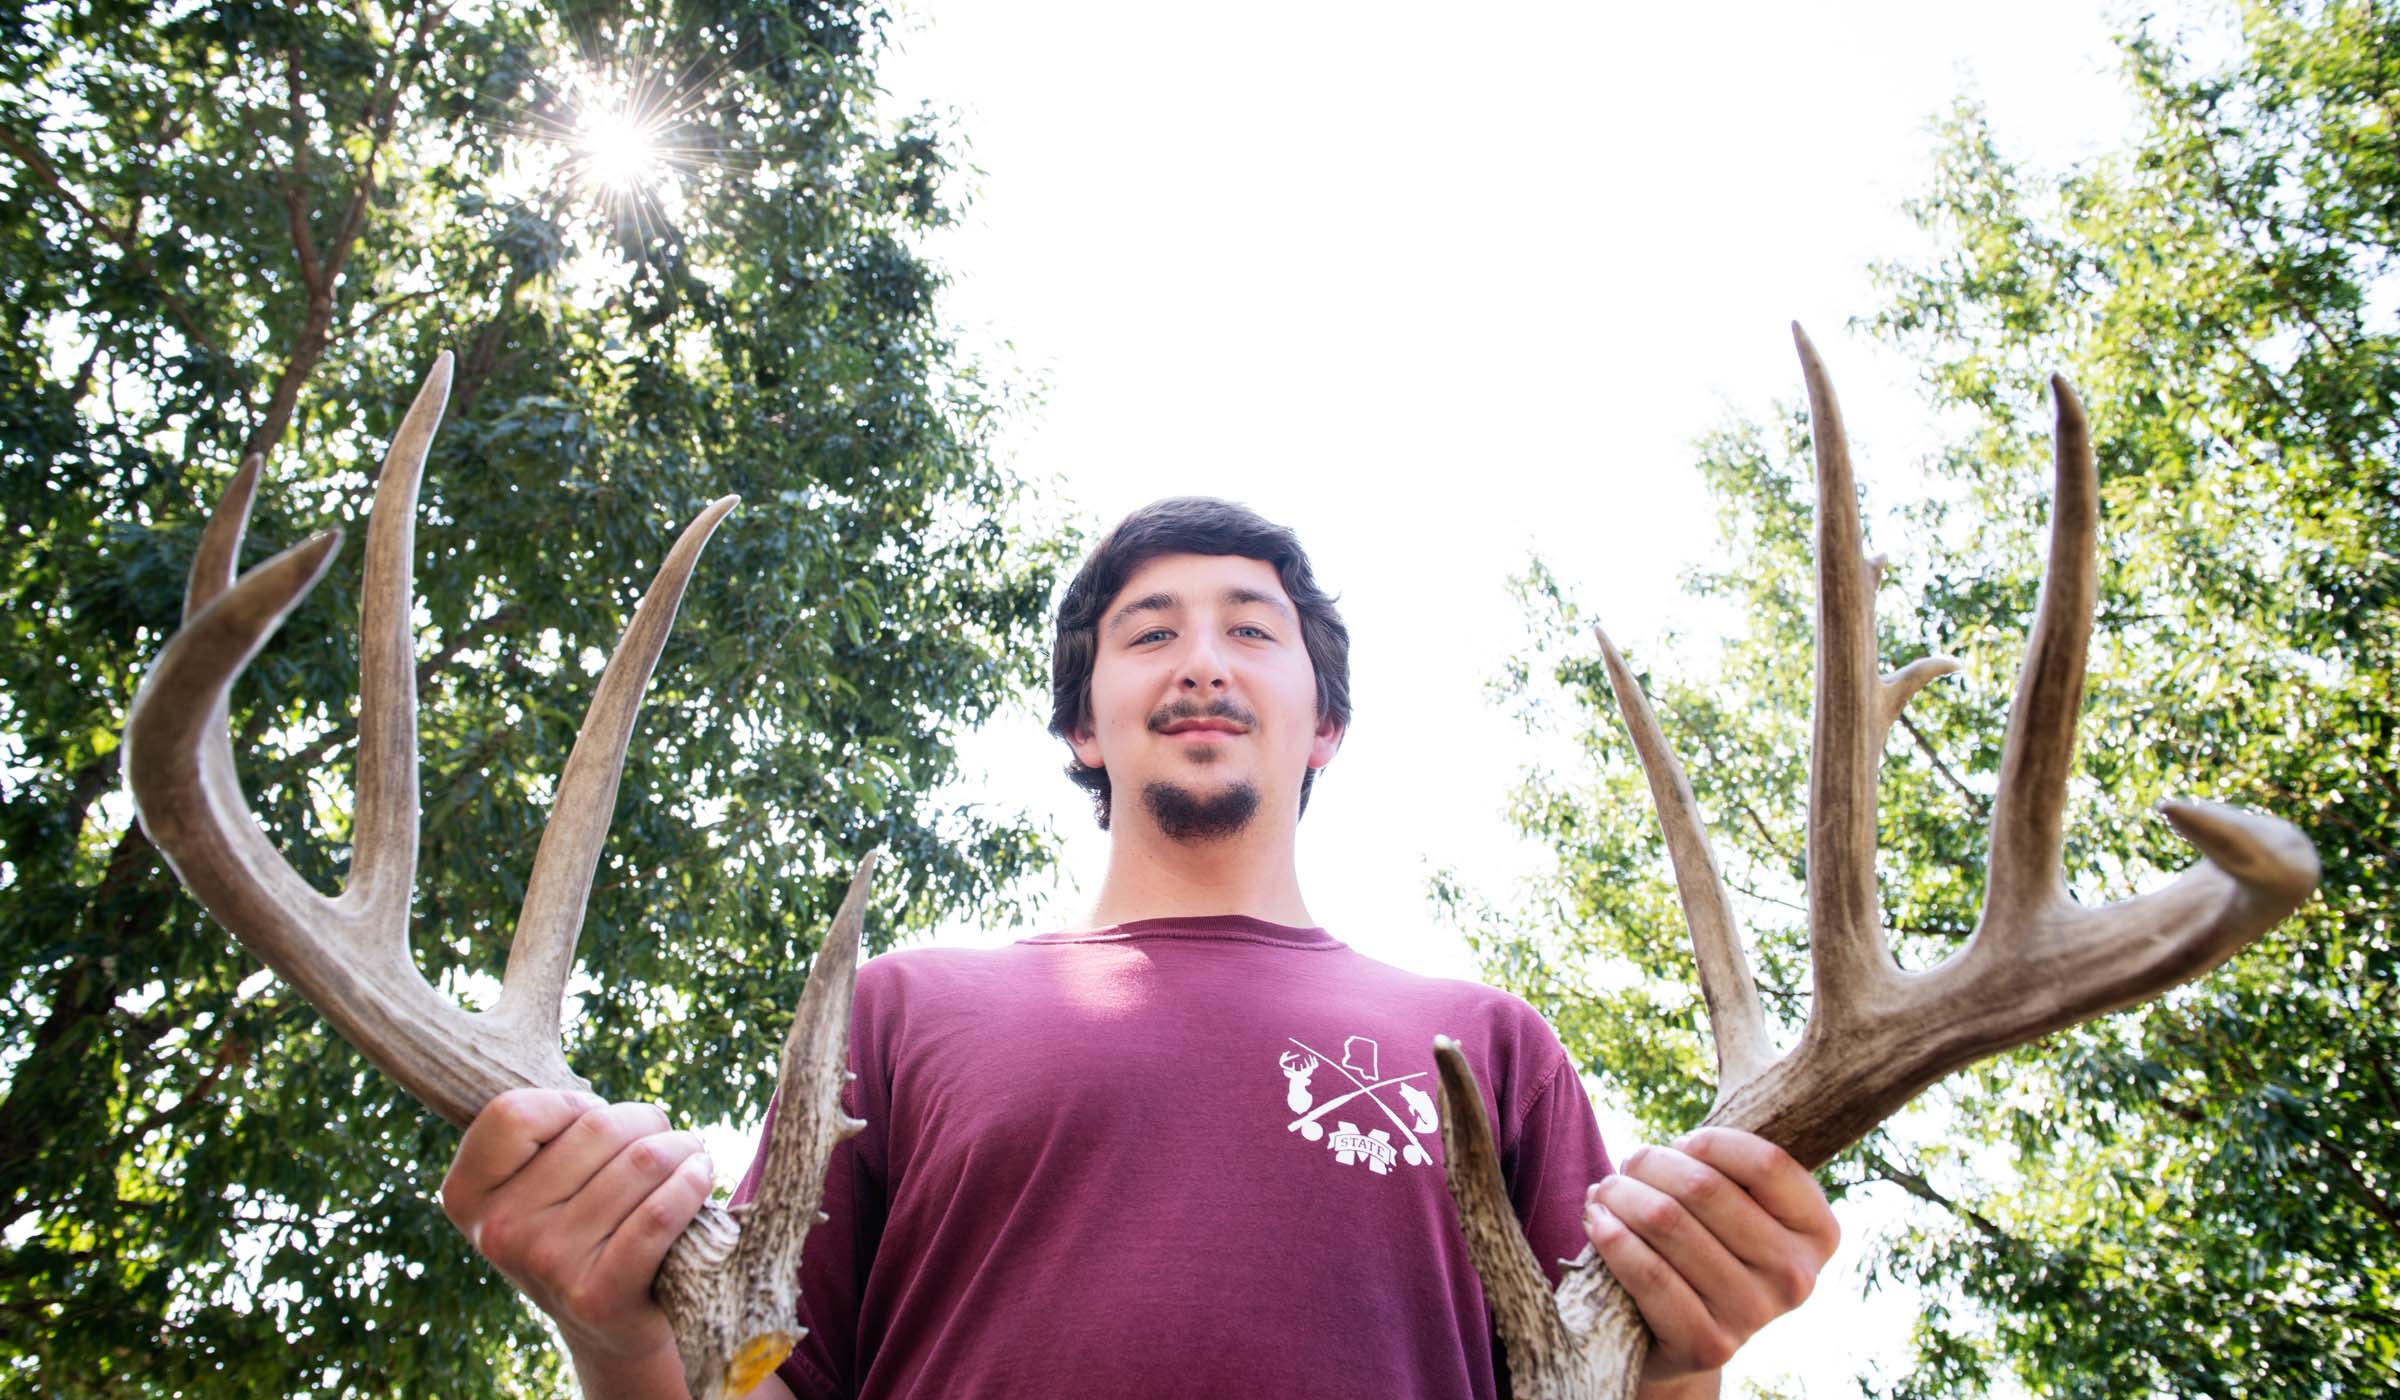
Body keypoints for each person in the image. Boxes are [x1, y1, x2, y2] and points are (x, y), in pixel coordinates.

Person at [440, 499, 1841, 1398]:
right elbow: (751, 1387)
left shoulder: (1485, 1044)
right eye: (1148, 634)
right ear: (1083, 727)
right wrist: (615, 1337)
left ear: (1325, 726)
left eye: (1253, 630)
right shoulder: (903, 1011)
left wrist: (1688, 1356)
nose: (1202, 661)